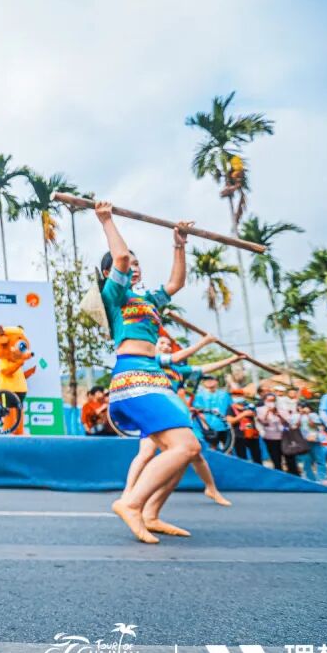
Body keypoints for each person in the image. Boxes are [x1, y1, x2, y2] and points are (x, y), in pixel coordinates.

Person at [95, 200, 199, 544]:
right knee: (185, 446)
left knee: (187, 449)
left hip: (155, 378)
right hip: (133, 378)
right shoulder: (115, 296)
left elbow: (176, 282)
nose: (133, 267)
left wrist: (179, 244)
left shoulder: (150, 300)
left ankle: (151, 513)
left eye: (139, 264)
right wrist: (106, 220)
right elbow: (121, 257)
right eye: (129, 264)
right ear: (110, 273)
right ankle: (130, 503)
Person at [122, 334, 241, 512]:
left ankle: (211, 489)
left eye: (168, 344)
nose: (166, 346)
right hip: (155, 412)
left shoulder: (177, 371)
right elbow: (177, 357)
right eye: (162, 343)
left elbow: (204, 368)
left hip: (173, 415)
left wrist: (233, 359)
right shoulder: (151, 361)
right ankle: (129, 492)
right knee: (146, 453)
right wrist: (204, 342)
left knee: (195, 454)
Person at [257, 392, 297, 475]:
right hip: (270, 438)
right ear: (264, 401)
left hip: (284, 437)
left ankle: (294, 475)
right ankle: (280, 476)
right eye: (269, 400)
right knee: (276, 459)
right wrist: (268, 411)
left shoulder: (281, 409)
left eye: (273, 400)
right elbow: (263, 422)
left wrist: (278, 414)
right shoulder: (260, 409)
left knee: (290, 458)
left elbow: (288, 422)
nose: (271, 402)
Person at [192, 374, 233, 451]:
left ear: (216, 381)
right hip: (209, 428)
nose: (209, 381)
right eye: (206, 380)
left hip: (224, 427)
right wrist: (205, 426)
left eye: (211, 379)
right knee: (212, 449)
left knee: (228, 449)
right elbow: (198, 412)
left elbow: (231, 408)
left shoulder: (224, 394)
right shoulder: (199, 396)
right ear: (203, 383)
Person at [293, 401, 327, 484]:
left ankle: (322, 478)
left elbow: (315, 425)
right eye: (300, 407)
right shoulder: (295, 416)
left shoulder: (313, 415)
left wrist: (308, 414)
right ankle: (310, 479)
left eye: (303, 406)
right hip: (303, 441)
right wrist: (300, 415)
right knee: (306, 460)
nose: (302, 408)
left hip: (315, 440)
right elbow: (295, 427)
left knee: (320, 459)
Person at [227, 395, 262, 463]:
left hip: (251, 434)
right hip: (239, 435)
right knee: (242, 457)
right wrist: (243, 414)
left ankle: (259, 468)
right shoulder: (230, 408)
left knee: (257, 456)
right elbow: (230, 420)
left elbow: (254, 415)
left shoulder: (249, 405)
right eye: (235, 395)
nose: (238, 397)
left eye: (239, 394)